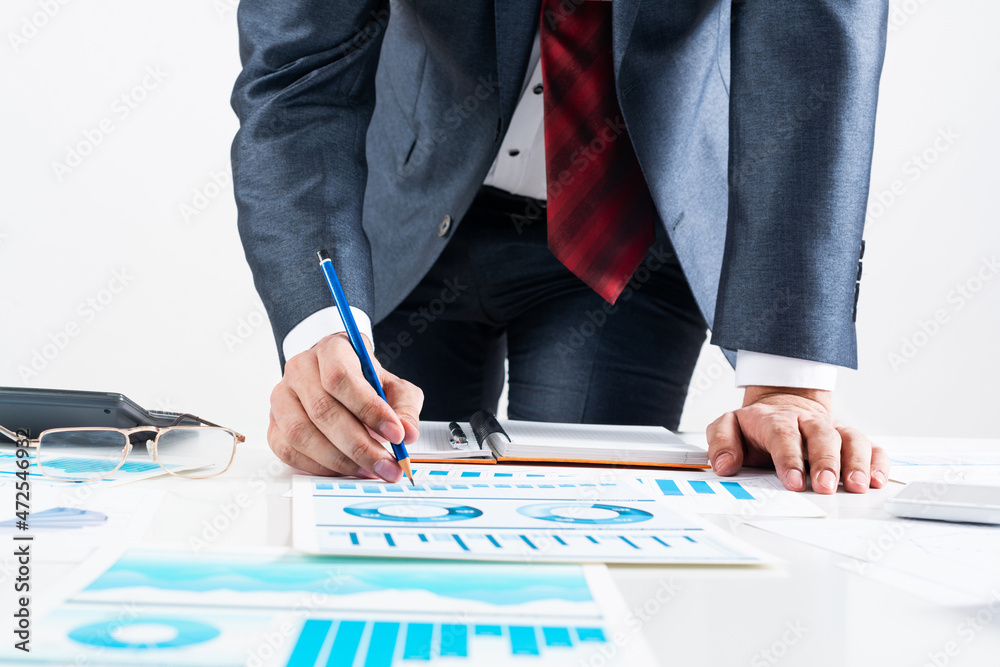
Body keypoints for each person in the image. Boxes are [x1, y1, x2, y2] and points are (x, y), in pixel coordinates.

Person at [231, 0, 891, 494]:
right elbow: (298, 71)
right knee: (377, 503)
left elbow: (810, 44)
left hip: (622, 225)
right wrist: (318, 331)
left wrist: (788, 383)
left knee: (584, 531)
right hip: (411, 200)